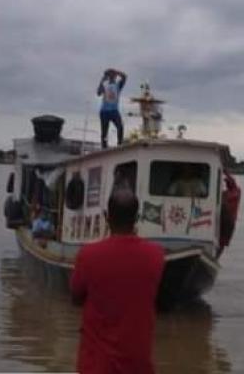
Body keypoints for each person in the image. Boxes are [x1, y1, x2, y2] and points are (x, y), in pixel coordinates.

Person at [70, 188, 165, 374]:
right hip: (137, 364)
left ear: (107, 216)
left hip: (96, 365)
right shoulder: (156, 256)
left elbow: (75, 297)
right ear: (137, 218)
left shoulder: (88, 255)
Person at [96, 68, 127, 148]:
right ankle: (104, 146)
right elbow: (98, 93)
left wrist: (116, 72)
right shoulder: (105, 85)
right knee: (104, 131)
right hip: (104, 111)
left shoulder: (117, 85)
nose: (112, 77)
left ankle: (120, 143)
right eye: (110, 75)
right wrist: (102, 81)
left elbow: (124, 77)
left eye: (113, 75)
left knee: (120, 126)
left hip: (114, 110)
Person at [217, 170, 241, 259]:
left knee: (223, 242)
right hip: (222, 218)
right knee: (219, 239)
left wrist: (225, 172)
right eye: (226, 182)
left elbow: (232, 180)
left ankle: (216, 257)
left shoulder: (237, 191)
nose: (227, 184)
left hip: (230, 220)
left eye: (228, 182)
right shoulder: (224, 194)